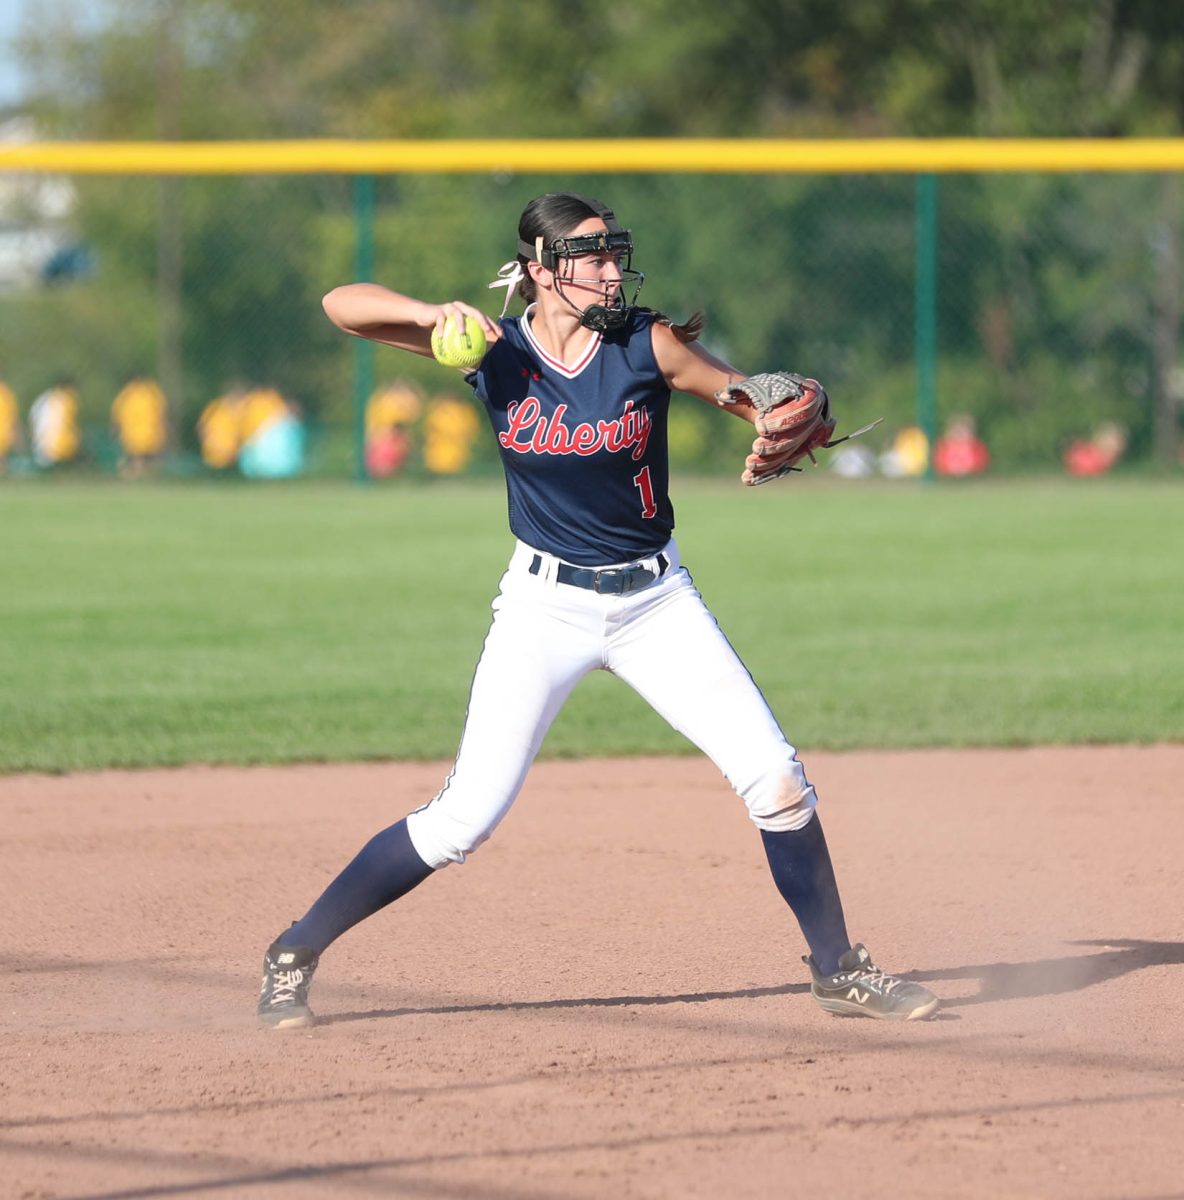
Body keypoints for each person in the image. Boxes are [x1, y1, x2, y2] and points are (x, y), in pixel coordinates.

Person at [256, 191, 939, 1029]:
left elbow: (738, 391)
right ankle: (294, 950)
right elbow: (342, 307)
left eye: (616, 253)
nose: (613, 269)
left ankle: (838, 969)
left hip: (656, 603)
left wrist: (774, 403)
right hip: (543, 608)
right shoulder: (492, 353)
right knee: (461, 821)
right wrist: (432, 314)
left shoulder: (644, 346)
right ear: (540, 270)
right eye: (592, 255)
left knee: (777, 780)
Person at [110, 376, 168, 478]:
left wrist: (115, 428)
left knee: (141, 456)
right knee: (141, 456)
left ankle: (133, 472)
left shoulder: (127, 393)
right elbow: (162, 412)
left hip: (135, 432)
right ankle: (137, 474)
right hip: (147, 432)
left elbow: (116, 412)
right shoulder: (151, 391)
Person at [29, 379, 81, 468]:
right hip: (57, 447)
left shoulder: (45, 398)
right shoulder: (65, 400)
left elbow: (33, 416)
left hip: (44, 444)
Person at [932, 413, 989, 477]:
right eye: (956, 431)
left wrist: (969, 470)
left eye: (963, 432)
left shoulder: (977, 448)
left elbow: (981, 463)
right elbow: (939, 464)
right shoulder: (943, 447)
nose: (959, 435)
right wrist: (950, 470)